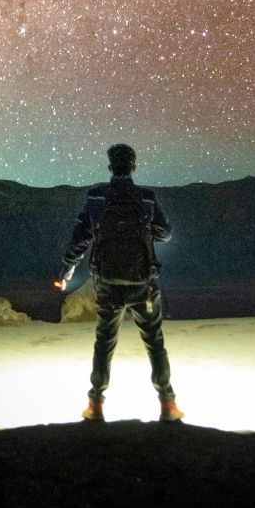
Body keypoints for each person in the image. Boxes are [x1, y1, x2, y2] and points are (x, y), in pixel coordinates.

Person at [56, 142, 182, 422]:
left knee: (104, 341)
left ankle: (95, 405)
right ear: (133, 166)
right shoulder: (147, 198)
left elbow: (81, 238)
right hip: (143, 284)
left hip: (108, 284)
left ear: (110, 167)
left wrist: (67, 268)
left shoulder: (96, 197)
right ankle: (168, 405)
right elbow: (166, 234)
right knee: (154, 342)